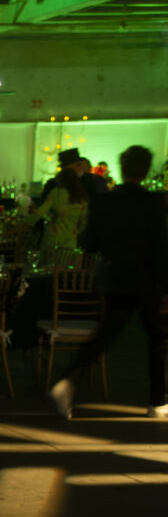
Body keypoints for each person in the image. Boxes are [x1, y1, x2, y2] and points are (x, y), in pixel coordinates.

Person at [50, 145, 168, 419]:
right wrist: (165, 287)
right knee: (157, 340)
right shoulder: (152, 203)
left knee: (105, 335)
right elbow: (161, 247)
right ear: (146, 170)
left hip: (115, 277)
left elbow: (89, 244)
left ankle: (68, 380)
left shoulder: (104, 202)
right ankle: (157, 401)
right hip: (147, 280)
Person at [26, 165, 88, 265]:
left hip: (53, 240)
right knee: (65, 274)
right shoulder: (81, 197)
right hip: (71, 241)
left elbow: (41, 211)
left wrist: (26, 222)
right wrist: (76, 231)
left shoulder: (56, 193)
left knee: (48, 272)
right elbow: (85, 221)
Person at [38, 148, 107, 206]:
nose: (81, 168)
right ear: (68, 168)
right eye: (78, 165)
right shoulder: (54, 184)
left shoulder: (88, 180)